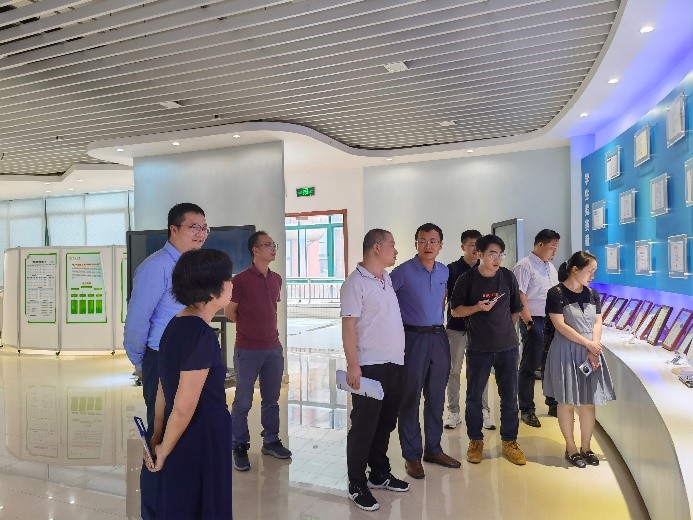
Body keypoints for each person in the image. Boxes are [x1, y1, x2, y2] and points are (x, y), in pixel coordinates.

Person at [123, 202, 208, 520]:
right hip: (162, 362)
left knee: (183, 435)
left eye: (204, 228)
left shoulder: (192, 267)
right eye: (193, 227)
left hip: (189, 362)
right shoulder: (156, 267)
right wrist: (142, 363)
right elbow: (136, 323)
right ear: (174, 229)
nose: (201, 233)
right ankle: (155, 511)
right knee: (160, 438)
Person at [145, 248, 233, 519]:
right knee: (203, 503)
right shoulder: (201, 335)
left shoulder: (175, 324)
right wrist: (163, 449)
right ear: (212, 290)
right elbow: (185, 406)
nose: (232, 283)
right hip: (201, 434)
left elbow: (163, 390)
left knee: (181, 500)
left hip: (177, 430)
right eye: (228, 278)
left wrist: (158, 435)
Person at [341, 228, 409, 512]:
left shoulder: (386, 278)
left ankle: (379, 473)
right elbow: (348, 327)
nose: (396, 250)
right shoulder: (355, 283)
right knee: (364, 427)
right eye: (392, 244)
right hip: (369, 366)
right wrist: (353, 365)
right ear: (377, 248)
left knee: (385, 423)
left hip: (395, 364)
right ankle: (356, 483)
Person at [391, 223, 461, 480]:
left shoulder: (444, 271)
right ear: (416, 244)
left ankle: (433, 449)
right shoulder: (402, 272)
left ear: (441, 245)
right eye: (423, 240)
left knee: (436, 396)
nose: (428, 245)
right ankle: (411, 454)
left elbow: (442, 298)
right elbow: (385, 301)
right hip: (412, 338)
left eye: (433, 241)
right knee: (410, 396)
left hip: (438, 337)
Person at [450, 234, 527, 466]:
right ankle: (476, 440)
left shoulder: (507, 276)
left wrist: (504, 329)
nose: (497, 259)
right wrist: (477, 308)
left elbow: (516, 308)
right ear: (480, 254)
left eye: (500, 254)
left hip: (507, 348)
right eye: (492, 254)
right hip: (478, 348)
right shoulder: (466, 280)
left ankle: (509, 441)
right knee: (474, 396)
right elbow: (455, 311)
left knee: (509, 397)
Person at [543, 251, 615, 468]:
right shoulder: (556, 293)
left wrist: (594, 347)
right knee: (566, 402)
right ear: (575, 269)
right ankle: (571, 448)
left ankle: (586, 447)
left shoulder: (593, 294)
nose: (593, 276)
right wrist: (588, 344)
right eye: (590, 271)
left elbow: (597, 322)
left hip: (589, 352)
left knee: (588, 402)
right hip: (565, 351)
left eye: (594, 271)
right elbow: (560, 326)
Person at [226, 231, 291, 472]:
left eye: (274, 245)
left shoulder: (276, 279)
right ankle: (239, 445)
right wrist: (249, 328)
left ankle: (271, 440)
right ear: (255, 250)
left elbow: (270, 309)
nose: (273, 248)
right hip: (247, 349)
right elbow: (230, 312)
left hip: (273, 348)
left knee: (271, 399)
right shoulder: (240, 280)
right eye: (268, 245)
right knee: (243, 400)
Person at [444, 229, 495, 431]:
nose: (475, 248)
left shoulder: (488, 269)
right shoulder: (452, 269)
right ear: (462, 246)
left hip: (481, 329)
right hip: (456, 328)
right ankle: (454, 412)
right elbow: (444, 298)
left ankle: (483, 411)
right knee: (453, 371)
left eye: (478, 245)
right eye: (471, 244)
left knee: (481, 372)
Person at [513, 229, 561, 428]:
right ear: (540, 245)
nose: (554, 252)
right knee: (530, 365)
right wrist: (529, 323)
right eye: (552, 247)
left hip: (551, 320)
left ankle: (553, 403)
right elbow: (520, 295)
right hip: (533, 320)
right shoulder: (524, 266)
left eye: (556, 248)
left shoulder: (550, 267)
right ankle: (527, 409)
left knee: (550, 364)